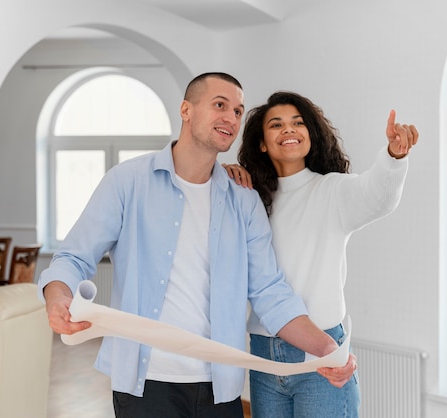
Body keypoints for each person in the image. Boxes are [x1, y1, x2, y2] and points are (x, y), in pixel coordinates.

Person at [38, 74, 356, 418]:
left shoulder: (243, 199)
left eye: (237, 111)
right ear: (186, 110)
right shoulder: (128, 181)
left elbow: (269, 291)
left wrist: (326, 347)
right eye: (219, 105)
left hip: (220, 386)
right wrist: (58, 297)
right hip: (145, 383)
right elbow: (74, 256)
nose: (230, 118)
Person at [224, 91, 418, 418]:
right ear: (261, 143)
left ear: (311, 135)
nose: (288, 130)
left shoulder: (331, 190)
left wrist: (394, 156)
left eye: (298, 123)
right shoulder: (248, 197)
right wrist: (224, 174)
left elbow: (379, 196)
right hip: (263, 353)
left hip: (321, 354)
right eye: (276, 125)